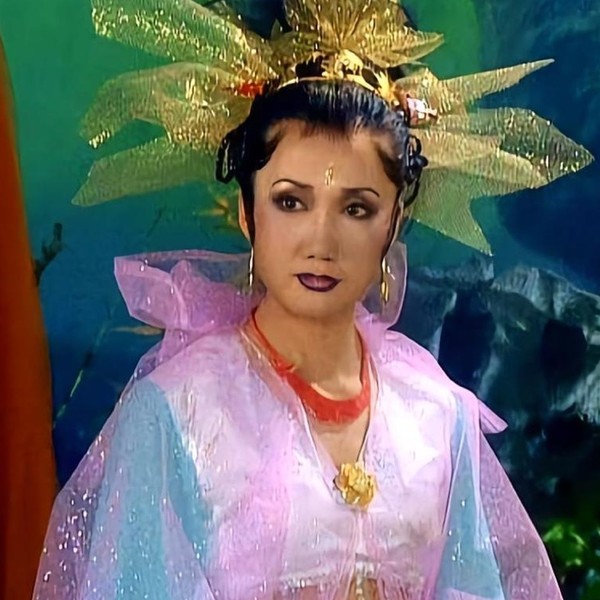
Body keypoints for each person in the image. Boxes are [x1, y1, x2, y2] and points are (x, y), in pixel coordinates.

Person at [33, 1, 592, 598]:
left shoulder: (435, 415)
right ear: (247, 212)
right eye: (291, 202)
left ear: (394, 223)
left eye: (356, 208)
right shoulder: (179, 412)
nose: (320, 241)